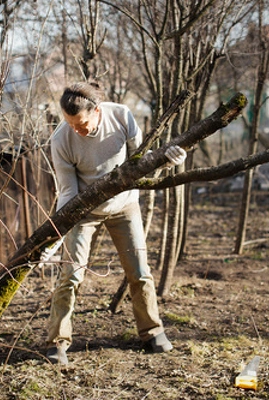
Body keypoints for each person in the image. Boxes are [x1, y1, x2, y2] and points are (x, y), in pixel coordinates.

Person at [44, 82, 187, 365]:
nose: (76, 130)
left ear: (97, 111)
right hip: (83, 210)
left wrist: (167, 161)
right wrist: (56, 236)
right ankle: (57, 342)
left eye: (81, 124)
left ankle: (152, 332)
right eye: (70, 124)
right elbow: (68, 193)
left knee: (139, 271)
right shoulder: (61, 140)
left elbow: (141, 162)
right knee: (70, 275)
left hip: (124, 206)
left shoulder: (121, 116)